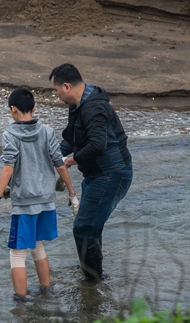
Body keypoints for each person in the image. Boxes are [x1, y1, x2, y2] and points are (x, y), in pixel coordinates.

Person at [0, 87, 79, 302]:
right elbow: (60, 164)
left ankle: (20, 303)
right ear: (35, 108)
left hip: (25, 203)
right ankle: (46, 294)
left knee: (17, 252)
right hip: (47, 201)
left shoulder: (10, 134)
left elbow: (8, 169)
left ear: (13, 109)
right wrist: (72, 195)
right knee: (37, 245)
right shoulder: (47, 131)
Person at [49, 63, 133, 281]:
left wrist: (69, 162)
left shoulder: (92, 107)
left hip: (111, 174)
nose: (56, 95)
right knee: (91, 227)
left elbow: (98, 144)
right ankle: (95, 275)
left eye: (56, 90)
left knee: (84, 228)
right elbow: (71, 139)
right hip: (97, 175)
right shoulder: (78, 105)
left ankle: (93, 283)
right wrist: (51, 157)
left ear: (66, 86)